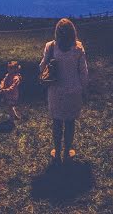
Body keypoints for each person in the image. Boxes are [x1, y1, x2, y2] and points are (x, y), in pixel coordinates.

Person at [39, 18, 88, 163]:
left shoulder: (50, 46)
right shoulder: (78, 47)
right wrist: (84, 89)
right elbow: (83, 72)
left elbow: (42, 67)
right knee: (70, 122)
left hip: (56, 91)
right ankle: (67, 151)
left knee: (57, 122)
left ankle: (57, 151)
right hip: (74, 91)